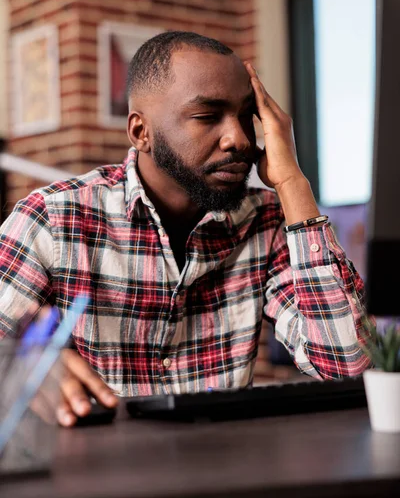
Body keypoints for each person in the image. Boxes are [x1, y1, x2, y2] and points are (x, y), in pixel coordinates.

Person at [0, 31, 372, 427]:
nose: (240, 139)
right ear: (141, 132)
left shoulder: (267, 221)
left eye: (247, 115)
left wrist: (293, 183)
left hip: (225, 474)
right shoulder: (55, 218)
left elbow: (347, 366)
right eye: (207, 117)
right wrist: (22, 367)